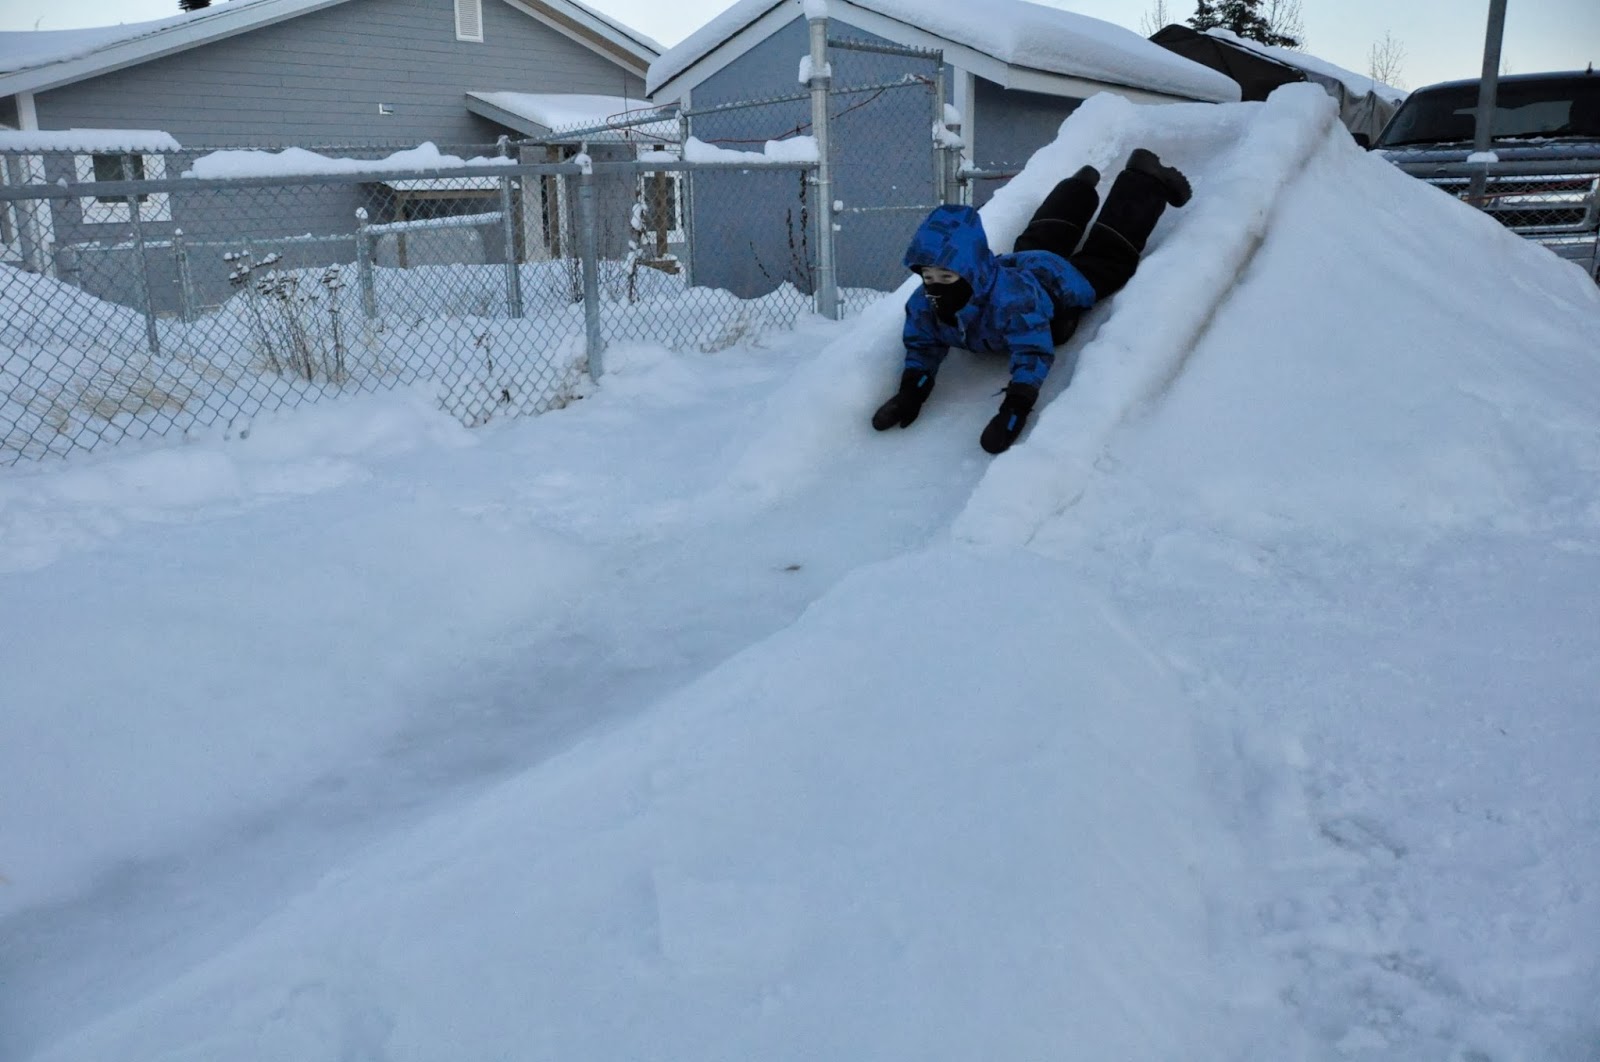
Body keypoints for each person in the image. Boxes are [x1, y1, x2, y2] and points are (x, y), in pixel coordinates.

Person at [872, 148, 1193, 453]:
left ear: (970, 272)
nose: (935, 287)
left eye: (946, 278)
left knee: (1107, 261)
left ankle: (1143, 179)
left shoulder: (1012, 304)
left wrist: (1016, 407)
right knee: (1038, 240)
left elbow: (1033, 352)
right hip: (1019, 266)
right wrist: (912, 391)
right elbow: (922, 344)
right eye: (928, 277)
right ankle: (1078, 187)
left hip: (1054, 283)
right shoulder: (925, 303)